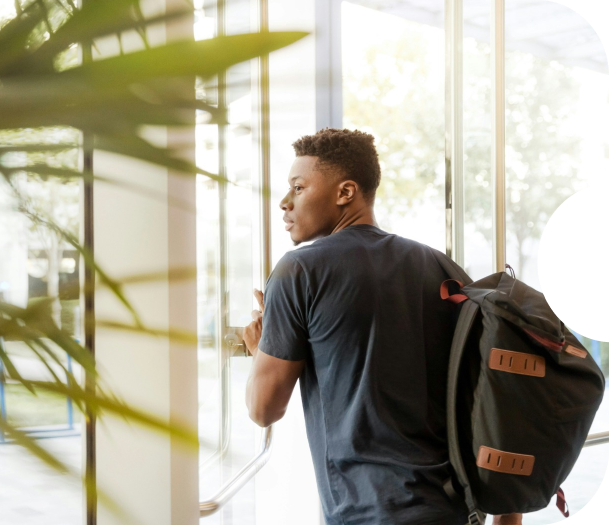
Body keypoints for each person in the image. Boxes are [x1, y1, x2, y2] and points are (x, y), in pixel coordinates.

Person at [243, 128, 521, 525]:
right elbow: (491, 395)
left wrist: (260, 349)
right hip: (453, 508)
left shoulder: (299, 271)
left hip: (367, 513)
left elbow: (263, 409)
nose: (285, 203)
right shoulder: (442, 268)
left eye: (298, 188)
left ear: (346, 192)